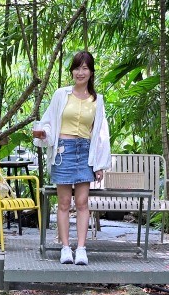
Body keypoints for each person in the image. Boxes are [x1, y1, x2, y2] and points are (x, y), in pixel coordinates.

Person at [32, 51, 111, 265]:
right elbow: (48, 122)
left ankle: (82, 249)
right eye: (77, 68)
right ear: (72, 71)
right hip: (63, 151)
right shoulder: (61, 94)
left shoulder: (98, 100)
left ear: (91, 72)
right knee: (64, 203)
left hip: (85, 152)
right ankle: (65, 248)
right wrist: (43, 133)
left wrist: (100, 164)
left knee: (83, 202)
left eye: (85, 68)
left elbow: (101, 134)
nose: (80, 72)